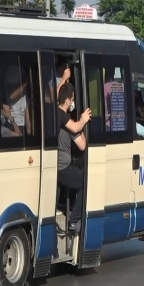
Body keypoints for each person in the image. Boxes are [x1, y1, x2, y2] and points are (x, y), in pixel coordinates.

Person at [57, 83, 91, 232]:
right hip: (63, 168)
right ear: (68, 101)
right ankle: (74, 219)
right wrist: (82, 120)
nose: (73, 102)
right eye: (72, 99)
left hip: (54, 167)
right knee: (85, 181)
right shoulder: (67, 122)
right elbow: (82, 145)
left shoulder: (55, 114)